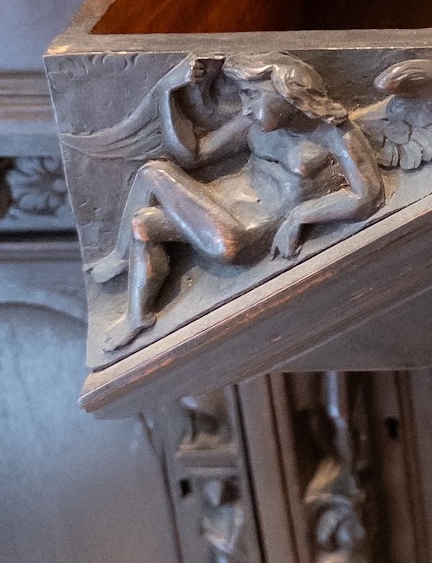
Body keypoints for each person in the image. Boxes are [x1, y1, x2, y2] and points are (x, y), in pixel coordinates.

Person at [89, 54, 382, 353]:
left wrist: (300, 216)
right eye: (243, 95)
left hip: (243, 235)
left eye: (252, 95)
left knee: (153, 173)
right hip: (220, 210)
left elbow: (367, 196)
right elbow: (193, 155)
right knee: (144, 224)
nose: (246, 107)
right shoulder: (255, 123)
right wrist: (167, 94)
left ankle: (119, 256)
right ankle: (137, 316)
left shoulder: (335, 134)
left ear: (287, 91)